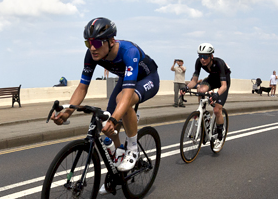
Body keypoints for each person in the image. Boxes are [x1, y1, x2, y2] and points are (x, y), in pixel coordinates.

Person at [52, 17, 160, 173]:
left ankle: (133, 149)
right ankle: (119, 162)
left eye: (96, 43)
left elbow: (127, 94)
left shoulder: (129, 52)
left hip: (147, 79)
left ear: (111, 41)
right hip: (126, 78)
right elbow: (82, 87)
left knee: (121, 102)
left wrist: (116, 118)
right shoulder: (91, 55)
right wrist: (67, 112)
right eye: (88, 43)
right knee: (106, 121)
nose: (92, 48)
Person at [185, 43, 231, 141]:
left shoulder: (219, 63)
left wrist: (216, 94)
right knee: (200, 90)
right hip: (212, 79)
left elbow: (224, 86)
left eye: (205, 56)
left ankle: (219, 131)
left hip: (223, 81)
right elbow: (194, 81)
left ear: (211, 56)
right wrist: (186, 88)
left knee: (217, 110)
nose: (202, 59)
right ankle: (203, 112)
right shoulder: (199, 62)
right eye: (200, 56)